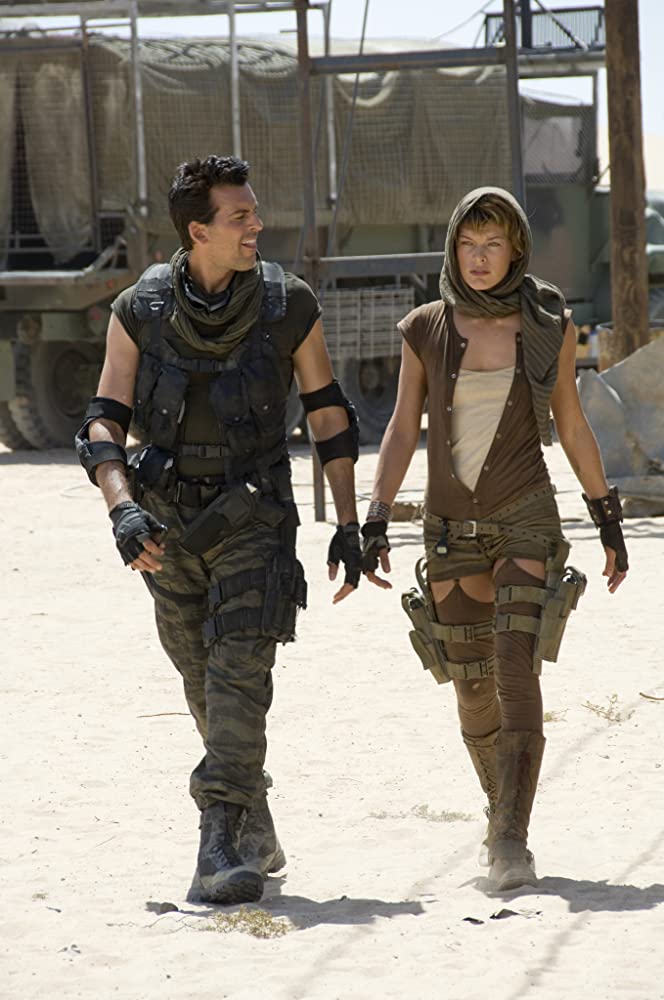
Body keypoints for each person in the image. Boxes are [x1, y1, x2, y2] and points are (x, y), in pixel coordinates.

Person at [75, 155, 369, 905]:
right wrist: (122, 509)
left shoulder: (288, 304)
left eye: (254, 212)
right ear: (198, 231)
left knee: (240, 671)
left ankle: (217, 844)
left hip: (254, 517)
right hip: (165, 527)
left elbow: (329, 415)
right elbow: (103, 423)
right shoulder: (140, 309)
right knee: (204, 681)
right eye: (240, 217)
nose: (256, 226)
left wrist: (348, 522)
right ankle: (252, 820)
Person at [360, 187, 628, 892]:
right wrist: (375, 516)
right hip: (449, 530)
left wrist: (606, 516)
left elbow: (571, 421)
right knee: (472, 685)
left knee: (514, 666)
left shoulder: (547, 325)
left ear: (516, 251)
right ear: (454, 248)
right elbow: (401, 428)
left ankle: (511, 836)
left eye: (493, 245)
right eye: (467, 244)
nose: (479, 259)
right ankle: (499, 806)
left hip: (526, 517)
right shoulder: (424, 328)